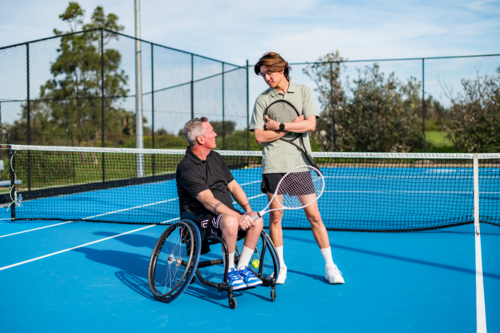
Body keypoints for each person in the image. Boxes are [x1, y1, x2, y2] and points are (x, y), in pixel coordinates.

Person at [250, 52, 344, 285]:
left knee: (314, 216)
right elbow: (260, 136)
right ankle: (280, 267)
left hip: (300, 165)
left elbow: (310, 124)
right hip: (273, 165)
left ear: (282, 69)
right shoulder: (262, 99)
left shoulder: (302, 91)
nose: (267, 78)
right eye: (263, 74)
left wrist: (279, 125)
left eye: (269, 72)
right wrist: (292, 127)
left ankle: (330, 267)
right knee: (276, 217)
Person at [176, 117, 264, 291]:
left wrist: (247, 211)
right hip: (201, 218)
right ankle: (230, 271)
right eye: (211, 132)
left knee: (257, 220)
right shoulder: (187, 167)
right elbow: (208, 202)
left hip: (227, 214)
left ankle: (243, 268)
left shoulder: (216, 157)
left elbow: (233, 186)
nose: (215, 134)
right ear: (201, 139)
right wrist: (238, 217)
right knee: (231, 222)